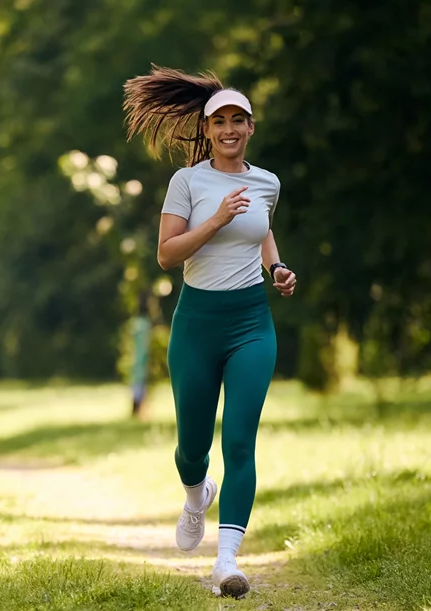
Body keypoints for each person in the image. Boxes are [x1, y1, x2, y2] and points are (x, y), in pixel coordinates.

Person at [122, 65, 297, 598]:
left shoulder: (267, 181)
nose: (228, 129)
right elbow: (165, 255)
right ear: (208, 128)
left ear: (250, 128)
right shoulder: (188, 181)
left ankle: (226, 563)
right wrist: (215, 219)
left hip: (250, 324)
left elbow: (262, 230)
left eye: (238, 120)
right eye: (219, 120)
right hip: (196, 325)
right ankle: (196, 493)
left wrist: (277, 268)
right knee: (191, 447)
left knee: (240, 439)